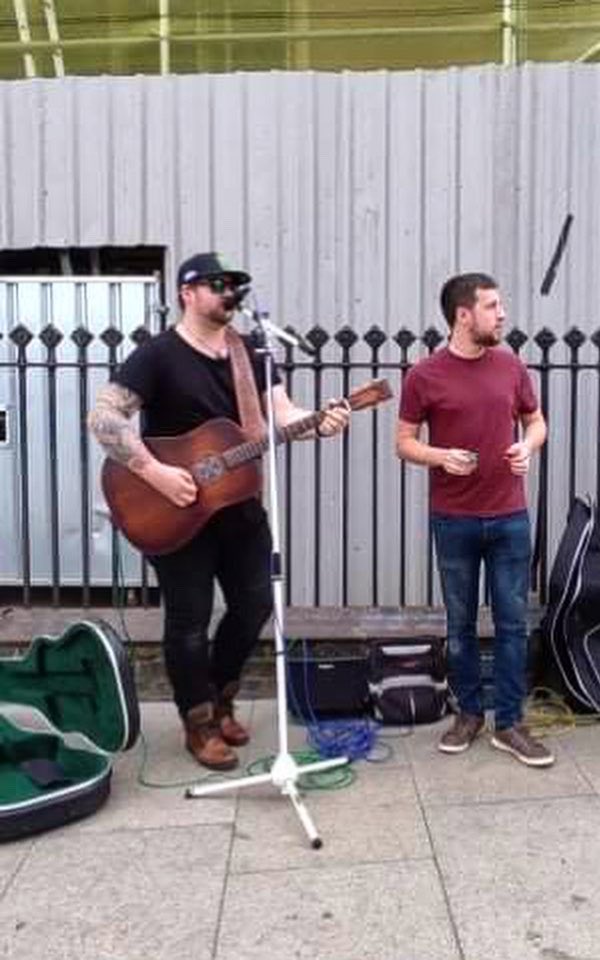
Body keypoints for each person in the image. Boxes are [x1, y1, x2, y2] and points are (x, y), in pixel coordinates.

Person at [88, 252, 350, 771]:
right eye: (216, 284)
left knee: (254, 605)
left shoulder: (251, 351)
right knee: (188, 621)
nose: (228, 292)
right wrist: (155, 472)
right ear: (188, 292)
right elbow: (103, 417)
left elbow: (283, 413)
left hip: (239, 507)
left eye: (233, 285)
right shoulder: (158, 355)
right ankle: (198, 721)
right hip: (175, 507)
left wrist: (318, 421)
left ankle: (221, 695)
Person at [395, 272, 552, 767]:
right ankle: (468, 714)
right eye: (491, 306)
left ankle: (509, 723)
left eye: (500, 305)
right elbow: (403, 441)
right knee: (459, 626)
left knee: (511, 623)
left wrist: (526, 447)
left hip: (510, 516)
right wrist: (439, 456)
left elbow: (536, 421)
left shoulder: (510, 366)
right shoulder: (424, 375)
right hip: (454, 519)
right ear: (463, 315)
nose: (502, 314)